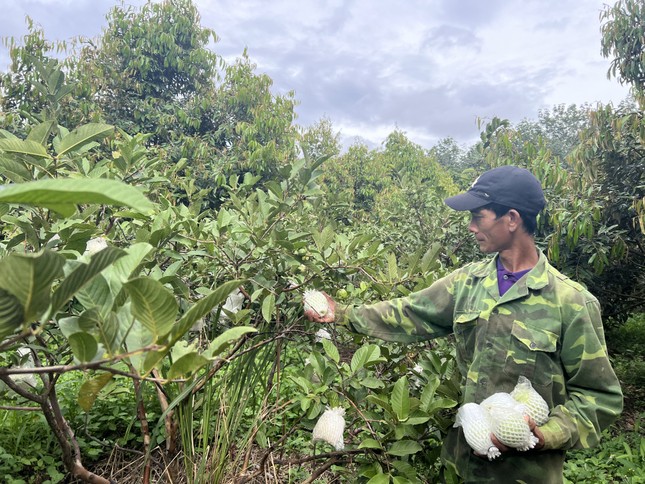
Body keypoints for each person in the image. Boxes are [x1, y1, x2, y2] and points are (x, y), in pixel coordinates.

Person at [304, 165, 623, 483]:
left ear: (511, 219)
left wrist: (547, 434)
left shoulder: (571, 302)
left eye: (478, 217)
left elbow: (599, 397)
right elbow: (411, 312)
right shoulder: (467, 284)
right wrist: (343, 313)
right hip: (460, 468)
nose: (470, 227)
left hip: (525, 475)